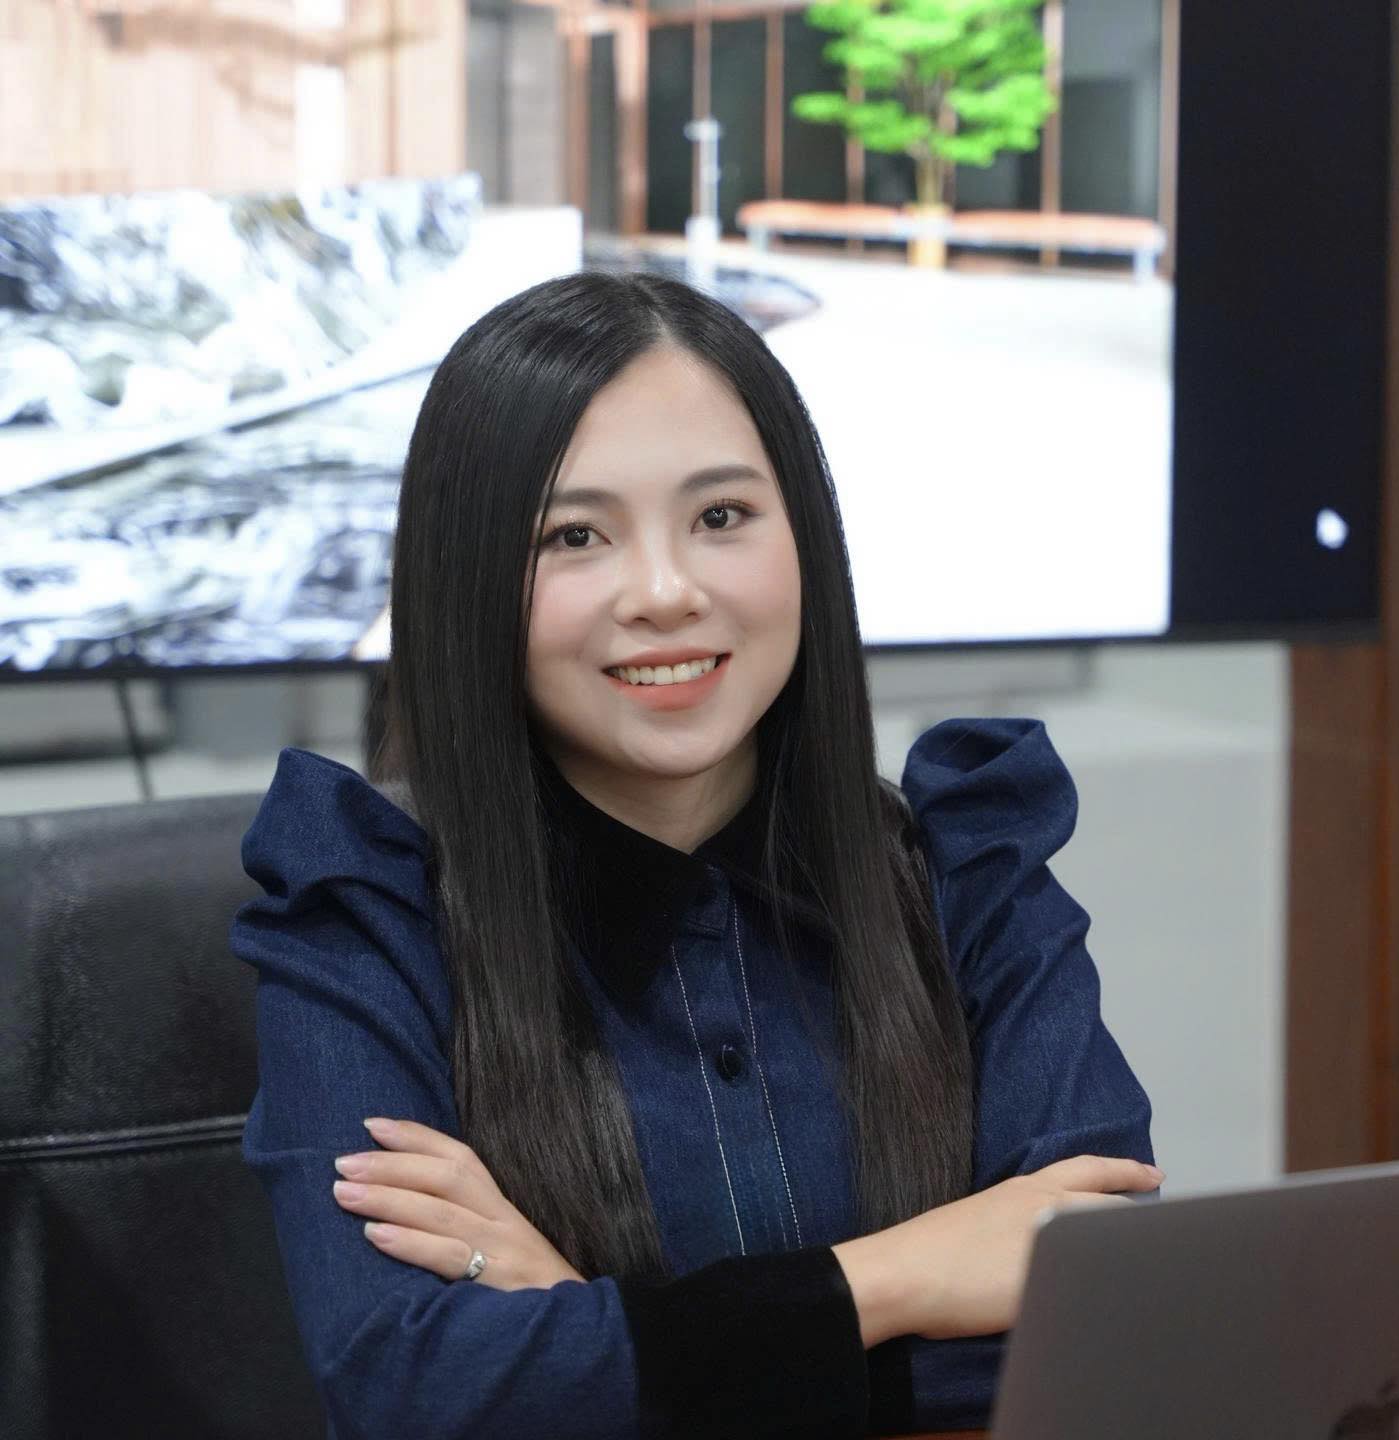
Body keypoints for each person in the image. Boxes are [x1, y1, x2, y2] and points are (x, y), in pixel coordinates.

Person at [231, 270, 1159, 1440]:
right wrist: (904, 1277)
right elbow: (413, 1391)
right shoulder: (363, 919)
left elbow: (1108, 1318)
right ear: (468, 580)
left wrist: (597, 1329)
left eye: (721, 518)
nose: (666, 594)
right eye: (575, 535)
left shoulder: (971, 873)